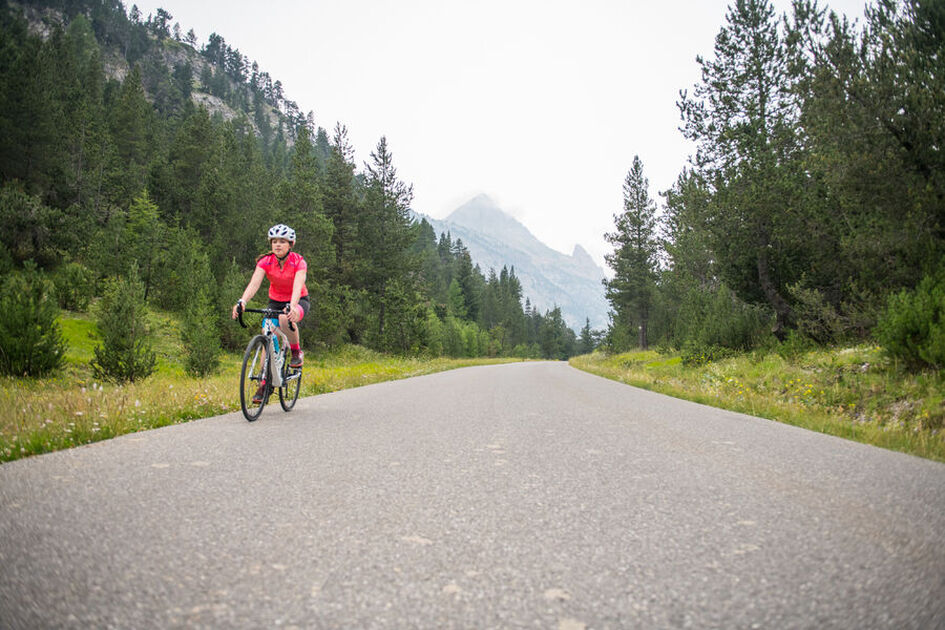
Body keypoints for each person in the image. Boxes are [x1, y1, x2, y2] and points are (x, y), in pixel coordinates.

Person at [232, 224, 309, 403]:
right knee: (267, 335)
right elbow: (254, 284)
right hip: (275, 301)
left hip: (298, 300)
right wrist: (242, 301)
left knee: (284, 319)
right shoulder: (265, 262)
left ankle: (296, 352)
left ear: (291, 244)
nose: (278, 245)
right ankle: (264, 382)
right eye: (274, 241)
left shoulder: (299, 261)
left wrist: (292, 306)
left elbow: (298, 286)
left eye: (282, 241)